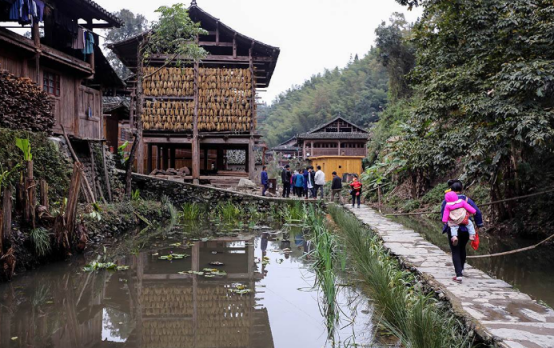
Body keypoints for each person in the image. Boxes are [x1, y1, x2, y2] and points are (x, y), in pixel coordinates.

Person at [440, 180, 484, 283]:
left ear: (451, 190)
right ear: (462, 189)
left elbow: (444, 216)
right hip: (466, 228)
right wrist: (479, 225)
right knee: (462, 248)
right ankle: (462, 269)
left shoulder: (446, 201)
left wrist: (446, 224)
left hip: (453, 229)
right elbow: (477, 212)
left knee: (455, 250)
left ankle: (458, 274)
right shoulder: (467, 200)